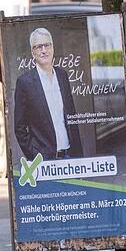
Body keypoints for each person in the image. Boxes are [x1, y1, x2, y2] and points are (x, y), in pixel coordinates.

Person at [13, 27, 83, 160]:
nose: (44, 50)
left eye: (47, 45)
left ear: (53, 48)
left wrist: (79, 156)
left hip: (69, 156)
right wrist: (35, 156)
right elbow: (20, 128)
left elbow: (72, 117)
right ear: (33, 52)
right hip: (45, 161)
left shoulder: (62, 76)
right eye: (39, 47)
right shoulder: (25, 82)